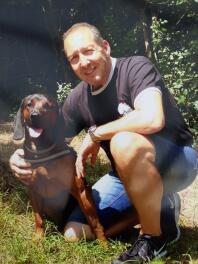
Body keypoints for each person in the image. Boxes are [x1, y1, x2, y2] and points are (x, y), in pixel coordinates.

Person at [10, 22, 197, 263]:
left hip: (177, 160)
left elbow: (152, 118)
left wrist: (96, 133)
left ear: (105, 47)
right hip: (124, 175)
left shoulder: (135, 67)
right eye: (74, 58)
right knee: (73, 233)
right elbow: (52, 138)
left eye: (88, 51)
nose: (84, 62)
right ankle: (163, 210)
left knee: (123, 142)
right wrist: (20, 155)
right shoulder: (78, 98)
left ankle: (154, 238)